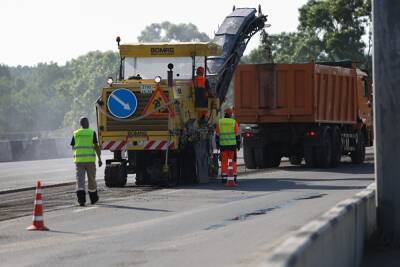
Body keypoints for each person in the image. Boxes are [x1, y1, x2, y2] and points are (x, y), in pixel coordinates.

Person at [70, 117, 102, 206]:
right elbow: (96, 146)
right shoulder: (91, 132)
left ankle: (81, 200)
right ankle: (93, 199)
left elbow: (73, 147)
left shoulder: (76, 133)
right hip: (90, 161)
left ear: (80, 124)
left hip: (79, 161)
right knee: (91, 180)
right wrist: (99, 158)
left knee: (80, 180)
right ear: (87, 123)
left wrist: (76, 155)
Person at [215, 107, 241, 185]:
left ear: (224, 113)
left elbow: (217, 135)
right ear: (231, 114)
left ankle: (224, 178)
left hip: (223, 146)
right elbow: (237, 135)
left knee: (224, 162)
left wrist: (217, 145)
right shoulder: (233, 122)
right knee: (233, 161)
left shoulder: (220, 122)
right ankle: (233, 177)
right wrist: (238, 145)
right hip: (232, 146)